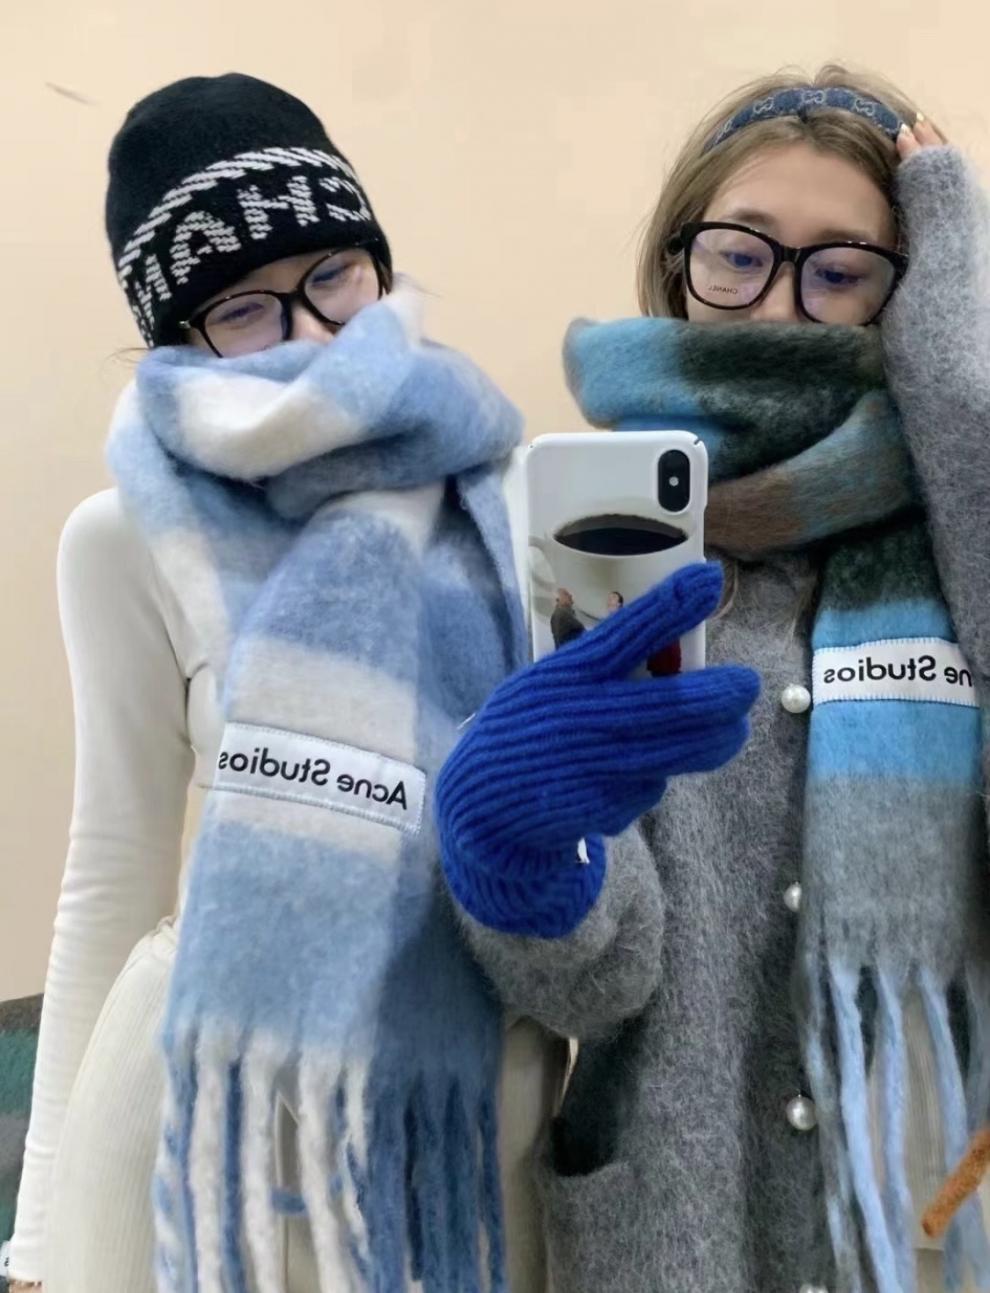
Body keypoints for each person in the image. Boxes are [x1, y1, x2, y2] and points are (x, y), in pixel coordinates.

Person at [436, 66, 990, 1293]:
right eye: (741, 254)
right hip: (686, 1232)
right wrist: (512, 849)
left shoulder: (962, 539)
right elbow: (594, 984)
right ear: (677, 258)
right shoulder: (587, 540)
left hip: (937, 1231)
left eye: (842, 270)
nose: (782, 308)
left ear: (915, 292)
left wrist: (960, 392)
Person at [7, 73, 564, 1293]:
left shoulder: (515, 502)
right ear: (176, 337)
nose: (312, 334)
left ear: (377, 266)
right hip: (208, 1127)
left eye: (332, 276)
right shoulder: (126, 536)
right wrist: (36, 1233)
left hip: (474, 1115)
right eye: (244, 309)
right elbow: (112, 869)